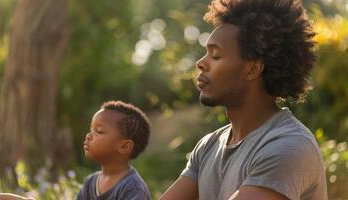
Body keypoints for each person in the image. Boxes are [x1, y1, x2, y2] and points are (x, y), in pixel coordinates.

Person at [160, 0, 327, 199]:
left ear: (252, 69)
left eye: (215, 55)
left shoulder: (290, 145)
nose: (201, 63)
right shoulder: (208, 147)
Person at [76, 101, 151, 200]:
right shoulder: (90, 183)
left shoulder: (133, 189)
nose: (88, 136)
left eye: (99, 131)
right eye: (91, 130)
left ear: (124, 147)